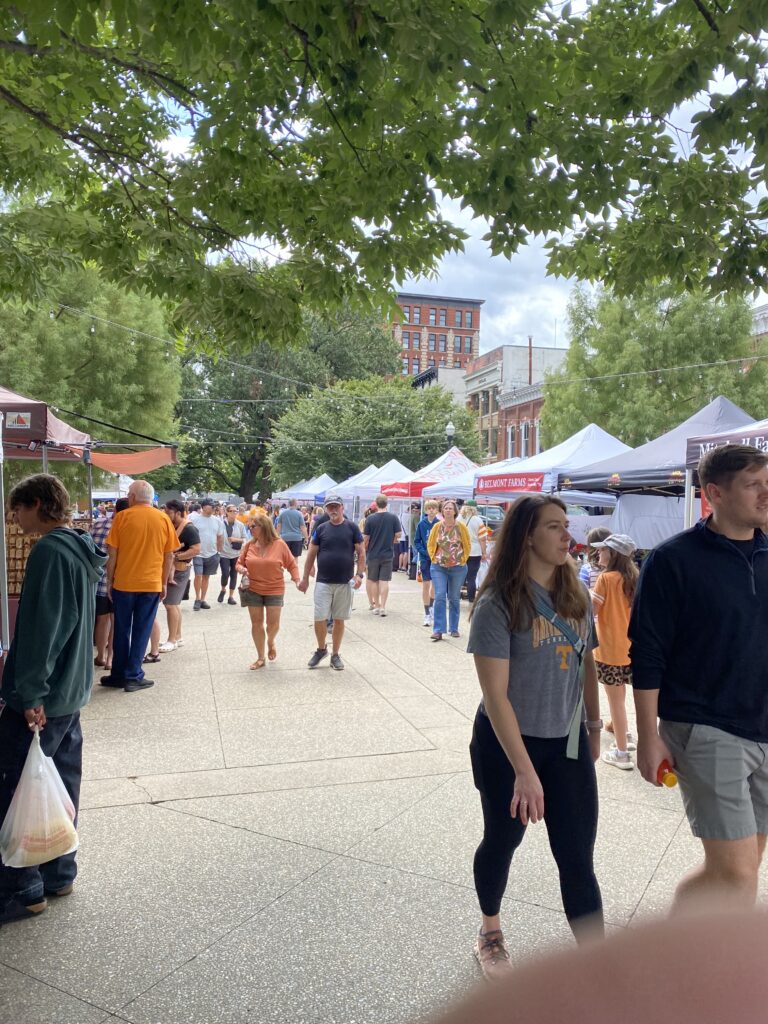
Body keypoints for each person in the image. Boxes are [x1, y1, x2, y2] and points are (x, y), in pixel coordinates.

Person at [467, 495, 603, 979]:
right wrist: (524, 772)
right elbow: (495, 695)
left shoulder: (578, 595)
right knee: (502, 841)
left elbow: (588, 661)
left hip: (565, 747)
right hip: (508, 747)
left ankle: (598, 966)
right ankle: (490, 932)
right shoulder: (497, 603)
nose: (568, 536)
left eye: (567, 526)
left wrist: (593, 724)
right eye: (554, 527)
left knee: (577, 857)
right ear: (527, 535)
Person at [630, 443, 768, 912]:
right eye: (754, 485)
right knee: (738, 873)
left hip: (763, 725)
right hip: (705, 725)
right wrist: (647, 736)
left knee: (740, 866)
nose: (766, 495)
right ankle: (703, 973)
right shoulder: (673, 560)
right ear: (715, 493)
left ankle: (680, 952)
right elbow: (647, 654)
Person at [0, 474, 107, 924]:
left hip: (46, 694)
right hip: (71, 690)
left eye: (19, 509)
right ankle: (60, 871)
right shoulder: (81, 549)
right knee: (60, 781)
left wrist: (30, 692)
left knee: (17, 786)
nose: (14, 518)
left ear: (38, 504)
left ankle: (25, 888)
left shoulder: (49, 550)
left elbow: (45, 628)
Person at [102, 480, 179, 692]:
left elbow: (113, 552)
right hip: (151, 583)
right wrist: (163, 582)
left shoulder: (123, 517)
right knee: (142, 629)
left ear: (133, 497)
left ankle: (118, 673)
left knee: (121, 629)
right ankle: (133, 674)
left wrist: (110, 580)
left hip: (124, 583)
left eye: (129, 493)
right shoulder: (163, 518)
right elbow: (169, 554)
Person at [298, 494, 366, 671]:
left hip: (344, 582)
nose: (333, 510)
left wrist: (359, 575)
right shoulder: (321, 529)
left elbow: (361, 552)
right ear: (326, 509)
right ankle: (321, 649)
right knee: (319, 617)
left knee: (339, 619)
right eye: (330, 507)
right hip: (323, 581)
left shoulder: (351, 528)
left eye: (336, 506)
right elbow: (311, 554)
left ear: (342, 507)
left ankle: (335, 654)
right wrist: (305, 578)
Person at [590, 533, 638, 770]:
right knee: (622, 699)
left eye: (602, 550)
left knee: (615, 700)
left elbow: (591, 611)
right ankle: (625, 734)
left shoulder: (605, 579)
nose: (598, 553)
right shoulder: (634, 578)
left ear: (613, 554)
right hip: (632, 648)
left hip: (608, 649)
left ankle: (621, 752)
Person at [236, 515, 301, 669]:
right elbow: (239, 563)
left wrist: (297, 580)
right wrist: (242, 569)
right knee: (256, 624)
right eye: (249, 526)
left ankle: (271, 641)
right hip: (252, 589)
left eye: (253, 526)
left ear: (264, 527)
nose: (250, 529)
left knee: (273, 625)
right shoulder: (249, 545)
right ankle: (260, 657)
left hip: (274, 588)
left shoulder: (279, 544)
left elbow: (292, 564)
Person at [90, 497, 128, 669]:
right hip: (117, 581)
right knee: (115, 620)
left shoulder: (97, 523)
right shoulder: (123, 527)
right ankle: (111, 658)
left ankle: (100, 656)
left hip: (97, 581)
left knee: (102, 619)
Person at [158, 499, 200, 652]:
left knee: (170, 605)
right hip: (172, 569)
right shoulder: (170, 526)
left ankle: (172, 640)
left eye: (169, 512)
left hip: (180, 570)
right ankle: (178, 636)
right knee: (174, 605)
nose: (166, 514)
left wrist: (176, 557)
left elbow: (196, 549)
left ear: (178, 513)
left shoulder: (189, 529)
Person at [427, 498, 470, 640]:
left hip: (458, 567)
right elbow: (431, 544)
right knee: (439, 595)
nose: (448, 510)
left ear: (455, 511)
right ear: (442, 511)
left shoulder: (461, 527)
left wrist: (463, 559)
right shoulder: (437, 527)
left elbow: (467, 544)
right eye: (445, 508)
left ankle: (454, 628)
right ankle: (438, 629)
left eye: (451, 508)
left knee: (454, 597)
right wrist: (433, 558)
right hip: (439, 567)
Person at [363, 494, 401, 616]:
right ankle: (383, 607)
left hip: (373, 553)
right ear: (387, 503)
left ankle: (377, 606)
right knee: (384, 581)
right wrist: (393, 539)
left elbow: (366, 538)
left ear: (376, 503)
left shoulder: (370, 519)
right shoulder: (393, 517)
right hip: (388, 553)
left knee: (373, 580)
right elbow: (399, 534)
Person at [192, 497, 225, 609]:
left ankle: (202, 599)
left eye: (213, 505)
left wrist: (219, 551)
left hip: (212, 553)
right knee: (198, 575)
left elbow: (220, 537)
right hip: (198, 553)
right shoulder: (195, 519)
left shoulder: (217, 521)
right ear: (203, 507)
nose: (213, 507)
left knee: (206, 577)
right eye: (210, 505)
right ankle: (197, 598)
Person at [414, 499, 439, 626]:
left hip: (436, 558)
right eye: (429, 508)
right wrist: (424, 552)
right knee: (426, 584)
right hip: (425, 558)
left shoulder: (439, 524)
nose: (431, 510)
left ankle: (432, 607)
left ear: (437, 510)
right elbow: (417, 541)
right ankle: (426, 612)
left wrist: (437, 553)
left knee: (435, 585)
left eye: (434, 508)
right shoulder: (421, 524)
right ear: (426, 510)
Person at [218, 505, 249, 605]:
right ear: (226, 512)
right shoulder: (221, 524)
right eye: (231, 511)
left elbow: (245, 539)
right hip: (223, 553)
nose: (234, 513)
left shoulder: (240, 525)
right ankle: (223, 589)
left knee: (234, 575)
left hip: (236, 553)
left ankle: (231, 596)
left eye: (236, 511)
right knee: (225, 573)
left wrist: (236, 539)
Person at [461, 500, 489, 603]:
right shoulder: (478, 520)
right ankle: (471, 599)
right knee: (471, 577)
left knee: (459, 575)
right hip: (475, 551)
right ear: (475, 508)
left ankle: (456, 595)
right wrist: (484, 552)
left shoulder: (459, 518)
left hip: (461, 550)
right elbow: (482, 539)